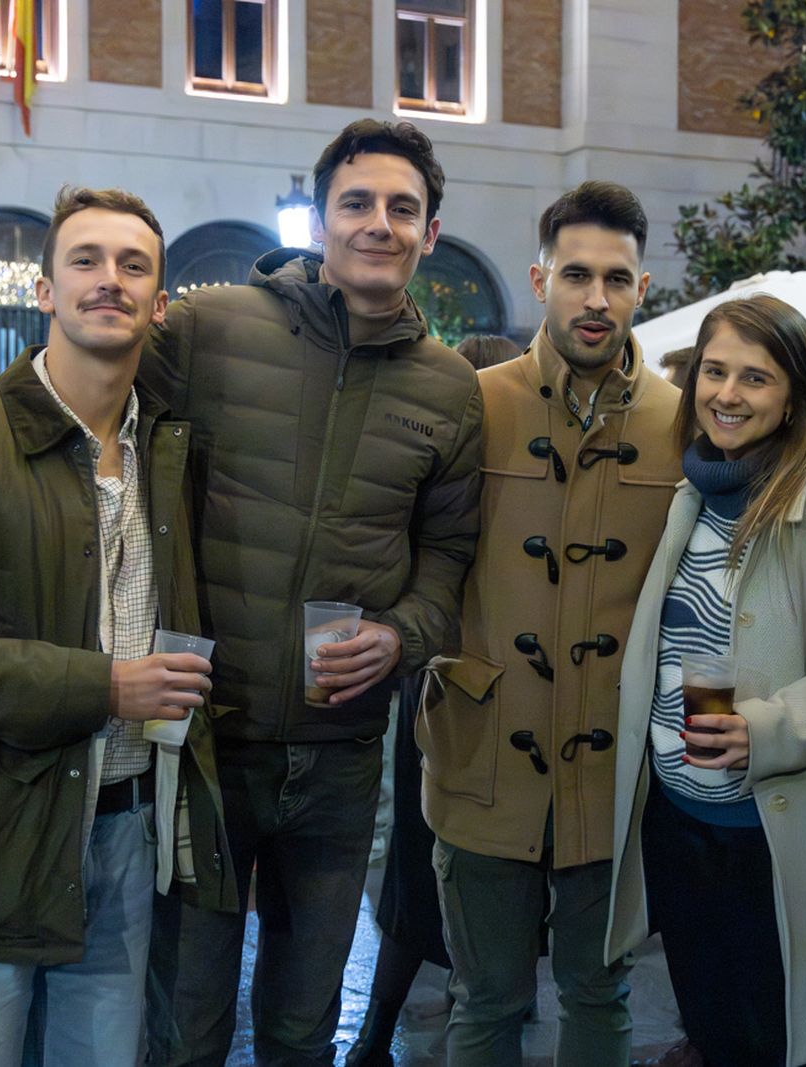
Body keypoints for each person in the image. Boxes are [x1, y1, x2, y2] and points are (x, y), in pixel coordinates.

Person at [0, 120, 484, 1067]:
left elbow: (449, 553)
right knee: (182, 1023)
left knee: (302, 1023)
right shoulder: (212, 328)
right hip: (204, 748)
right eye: (356, 203)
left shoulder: (452, 388)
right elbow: (76, 372)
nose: (378, 223)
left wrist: (405, 636)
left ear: (431, 232)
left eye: (401, 208)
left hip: (339, 758)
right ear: (321, 219)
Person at [0, 186, 235, 1066]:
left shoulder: (164, 455)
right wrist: (106, 687)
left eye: (134, 266)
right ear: (44, 293)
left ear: (160, 305)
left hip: (120, 841)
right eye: (85, 261)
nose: (110, 280)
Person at [419, 181, 682, 1066]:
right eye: (577, 274)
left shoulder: (684, 421)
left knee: (599, 993)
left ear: (643, 288)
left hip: (612, 774)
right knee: (484, 999)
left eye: (617, 277)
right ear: (540, 279)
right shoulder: (471, 401)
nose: (596, 298)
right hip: (482, 754)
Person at [605, 295, 806, 1067]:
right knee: (715, 1028)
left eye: (756, 377)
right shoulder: (690, 494)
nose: (728, 393)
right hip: (678, 821)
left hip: (769, 836)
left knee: (785, 1042)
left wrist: (764, 728)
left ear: (795, 395)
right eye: (715, 370)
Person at [346, 332, 518, 1067]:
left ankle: (378, 1035)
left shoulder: (433, 473)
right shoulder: (495, 478)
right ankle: (403, 1029)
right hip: (457, 683)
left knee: (423, 874)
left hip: (438, 682)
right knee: (443, 869)